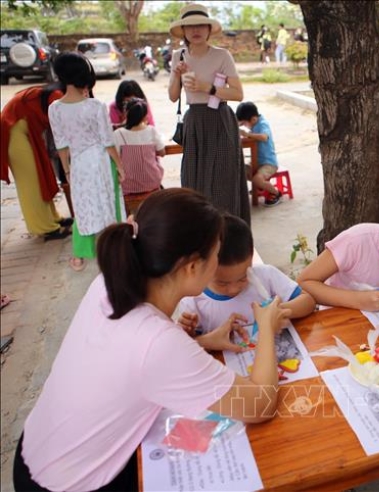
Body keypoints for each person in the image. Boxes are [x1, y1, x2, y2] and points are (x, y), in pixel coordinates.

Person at [13, 189, 288, 491]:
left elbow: (128, 366)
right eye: (217, 252)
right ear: (193, 267)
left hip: (38, 451)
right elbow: (261, 405)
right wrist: (265, 326)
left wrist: (204, 341)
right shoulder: (158, 341)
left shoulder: (109, 283)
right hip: (71, 483)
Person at [178, 214, 316, 351]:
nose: (233, 289)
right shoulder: (193, 301)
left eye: (243, 278)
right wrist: (189, 333)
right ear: (202, 267)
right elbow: (185, 349)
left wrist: (279, 311)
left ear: (251, 257)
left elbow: (308, 301)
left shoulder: (265, 276)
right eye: (222, 283)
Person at [168, 3, 250, 224]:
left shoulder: (222, 56)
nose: (196, 31)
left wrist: (208, 88)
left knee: (223, 179)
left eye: (200, 26)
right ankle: (200, 233)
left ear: (208, 28)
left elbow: (238, 94)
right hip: (194, 121)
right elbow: (173, 96)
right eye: (190, 26)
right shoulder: (179, 56)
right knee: (194, 180)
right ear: (183, 31)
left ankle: (228, 232)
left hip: (220, 120)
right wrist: (176, 75)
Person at [49, 52, 125, 272]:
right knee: (111, 204)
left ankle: (81, 254)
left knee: (83, 206)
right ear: (85, 75)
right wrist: (120, 166)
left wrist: (67, 171)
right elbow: (107, 141)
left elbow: (61, 143)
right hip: (101, 161)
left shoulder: (54, 108)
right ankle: (115, 251)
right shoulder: (95, 106)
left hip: (79, 163)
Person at [1, 83, 73, 241]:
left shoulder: (59, 93)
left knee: (41, 176)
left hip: (26, 130)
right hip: (14, 130)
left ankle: (53, 219)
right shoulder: (58, 96)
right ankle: (44, 228)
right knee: (31, 183)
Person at [113, 98, 166, 215]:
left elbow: (114, 157)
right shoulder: (151, 131)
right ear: (144, 116)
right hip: (152, 182)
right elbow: (162, 152)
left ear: (126, 114)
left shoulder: (118, 134)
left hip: (128, 186)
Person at [236, 101, 283, 207]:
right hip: (257, 161)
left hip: (269, 163)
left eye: (243, 123)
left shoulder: (262, 123)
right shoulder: (254, 123)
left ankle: (276, 193)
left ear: (253, 119)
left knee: (257, 179)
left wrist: (248, 134)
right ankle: (260, 186)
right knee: (240, 169)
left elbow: (264, 137)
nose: (243, 126)